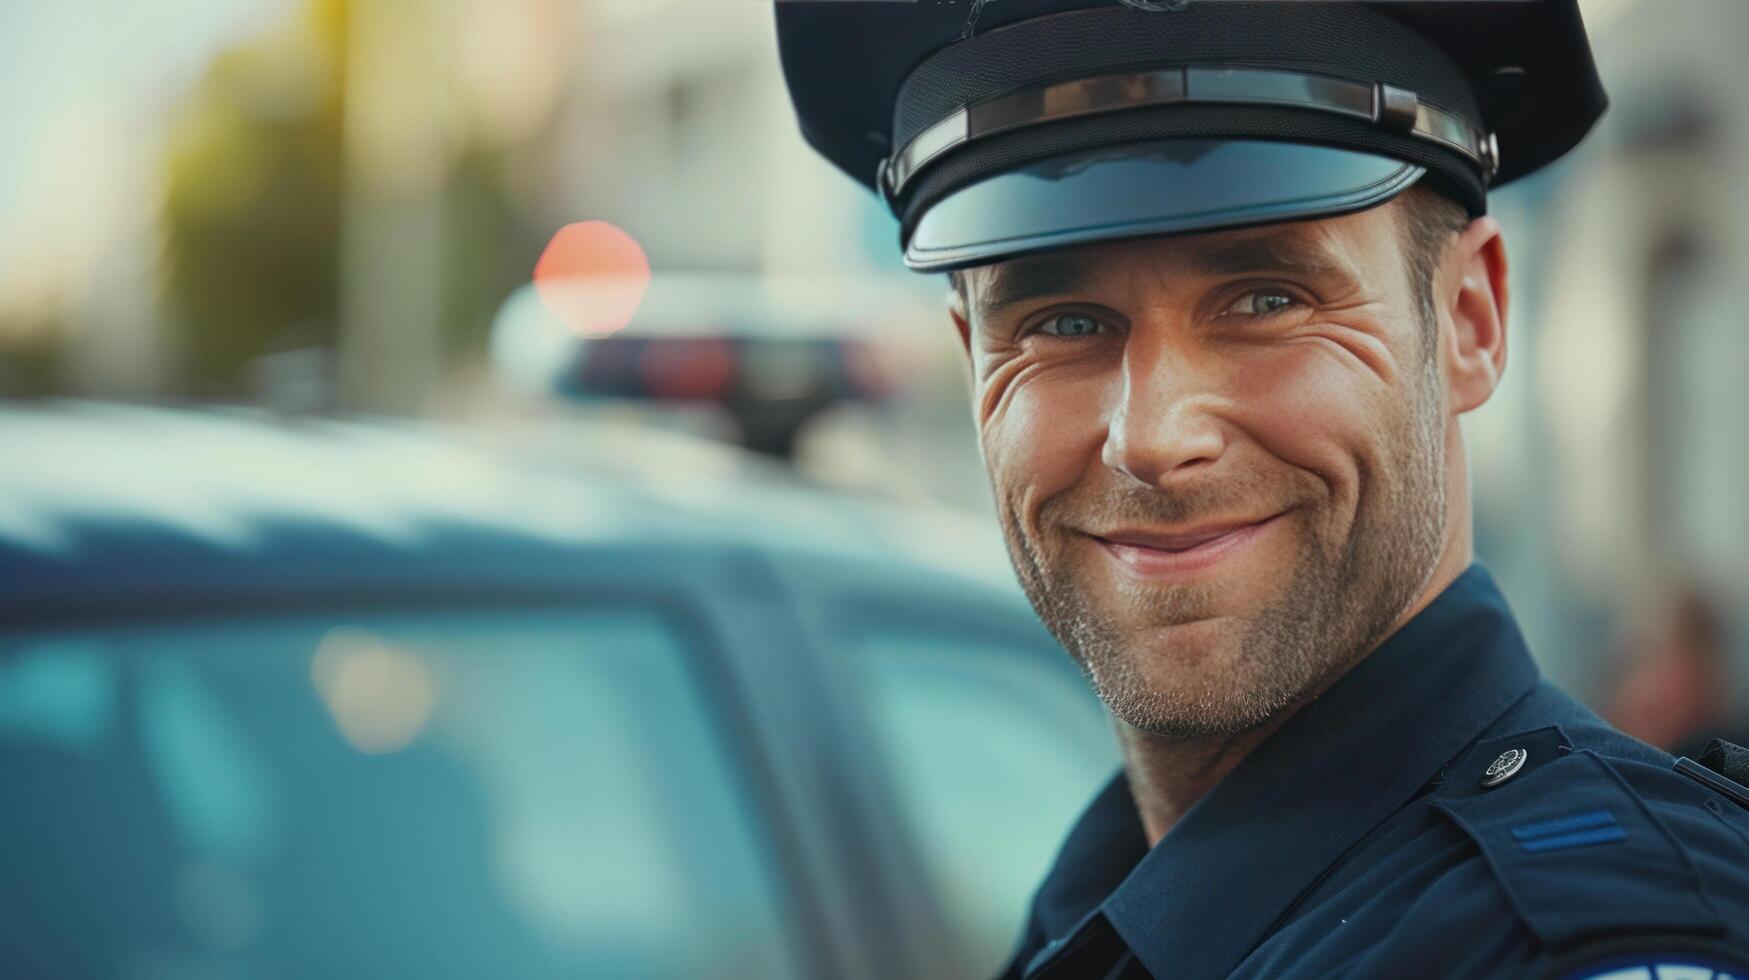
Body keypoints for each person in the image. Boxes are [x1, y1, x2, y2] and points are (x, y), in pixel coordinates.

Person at [774, 1, 1749, 977]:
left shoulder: (1600, 942)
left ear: (1470, 320)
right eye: (1063, 322)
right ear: (972, 358)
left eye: (1266, 300)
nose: (1153, 435)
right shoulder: (1101, 911)